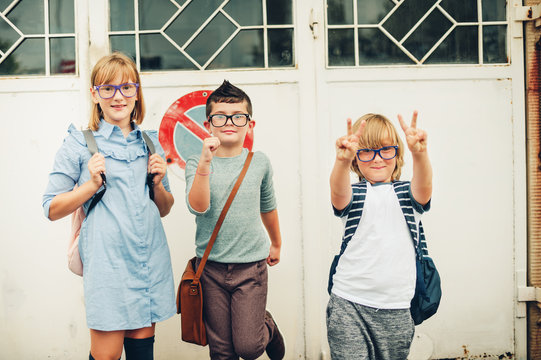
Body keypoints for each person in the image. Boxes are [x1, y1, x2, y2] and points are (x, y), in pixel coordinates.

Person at [42, 52, 176, 360]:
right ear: (95, 94)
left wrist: (157, 182)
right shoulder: (80, 142)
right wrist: (90, 185)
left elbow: (165, 208)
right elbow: (51, 208)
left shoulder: (150, 142)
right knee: (106, 356)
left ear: (136, 92)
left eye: (127, 87)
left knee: (142, 355)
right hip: (108, 267)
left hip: (147, 261)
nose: (118, 96)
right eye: (108, 88)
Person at [185, 80, 285, 360]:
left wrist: (276, 243)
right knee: (222, 350)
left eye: (238, 116)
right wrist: (205, 163)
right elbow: (198, 207)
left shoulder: (259, 162)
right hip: (210, 268)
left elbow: (268, 206)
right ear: (208, 124)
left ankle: (268, 327)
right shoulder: (196, 162)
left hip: (251, 267)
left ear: (249, 124)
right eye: (220, 117)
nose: (229, 122)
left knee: (248, 347)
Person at [327, 112, 432, 359]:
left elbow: (424, 187)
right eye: (366, 151)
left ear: (397, 153)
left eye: (386, 150)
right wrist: (341, 162)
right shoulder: (354, 193)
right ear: (356, 158)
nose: (377, 159)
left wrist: (420, 153)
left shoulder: (407, 193)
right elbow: (338, 192)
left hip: (396, 308)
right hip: (348, 303)